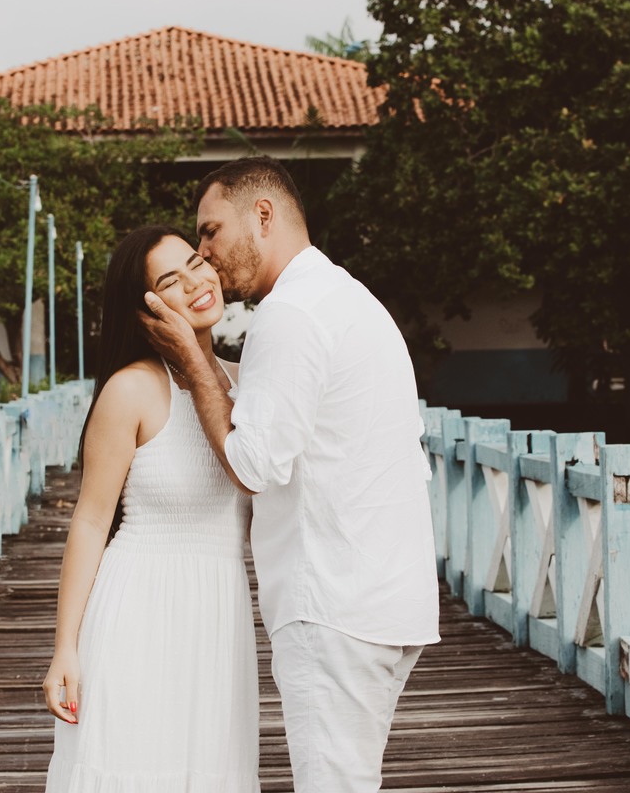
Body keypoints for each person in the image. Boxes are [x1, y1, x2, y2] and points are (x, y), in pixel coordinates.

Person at [139, 157, 440, 793]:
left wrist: (194, 364)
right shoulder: (343, 296)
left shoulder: (290, 314)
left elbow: (253, 464)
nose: (205, 253)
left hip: (331, 605)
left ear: (264, 215)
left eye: (211, 231)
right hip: (384, 596)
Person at [41, 225, 260, 792]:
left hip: (219, 615)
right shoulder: (132, 390)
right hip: (139, 609)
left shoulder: (246, 385)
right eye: (170, 280)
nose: (195, 283)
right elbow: (90, 522)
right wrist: (64, 647)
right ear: (147, 307)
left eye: (195, 262)